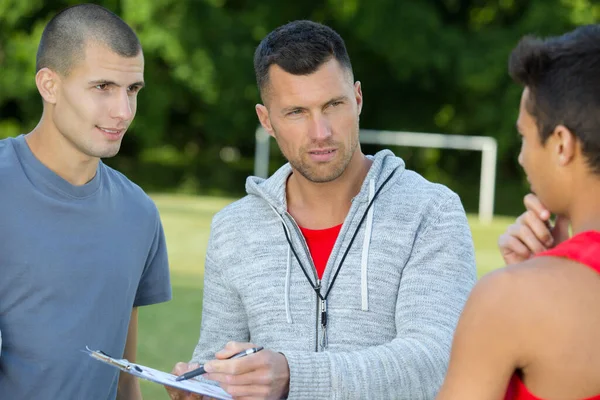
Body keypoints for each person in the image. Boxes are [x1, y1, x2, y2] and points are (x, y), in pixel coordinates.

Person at [168, 20, 477, 400]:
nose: (321, 132)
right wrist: (205, 385)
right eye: (296, 112)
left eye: (333, 105)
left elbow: (433, 363)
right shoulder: (234, 228)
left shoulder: (430, 212)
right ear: (267, 120)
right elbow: (218, 360)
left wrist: (292, 375)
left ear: (358, 99)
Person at [0, 4, 171, 399]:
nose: (123, 112)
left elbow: (125, 377)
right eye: (103, 87)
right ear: (50, 85)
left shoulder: (138, 214)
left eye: (132, 90)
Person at [437, 24, 600, 399]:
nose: (523, 157)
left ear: (561, 144)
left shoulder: (510, 299)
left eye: (524, 137)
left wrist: (533, 281)